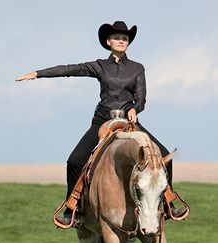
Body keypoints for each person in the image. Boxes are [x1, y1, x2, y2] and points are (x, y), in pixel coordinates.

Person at [16, 21, 187, 225]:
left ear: (128, 43)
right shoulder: (100, 66)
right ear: (108, 41)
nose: (121, 41)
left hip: (129, 121)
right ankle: (73, 208)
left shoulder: (137, 68)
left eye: (125, 38)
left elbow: (141, 98)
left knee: (163, 155)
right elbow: (71, 69)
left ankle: (167, 203)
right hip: (103, 121)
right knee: (75, 160)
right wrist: (37, 74)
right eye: (117, 38)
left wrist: (135, 108)